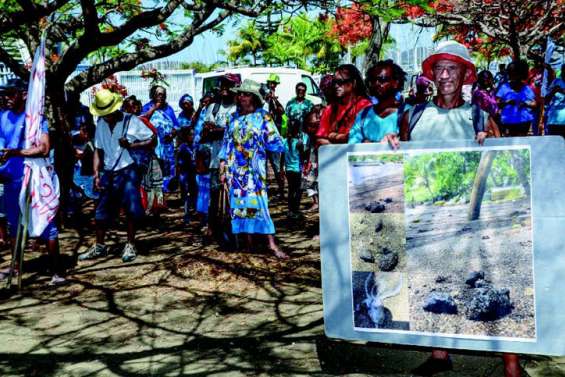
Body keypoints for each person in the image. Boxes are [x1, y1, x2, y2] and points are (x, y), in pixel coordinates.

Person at [389, 41, 518, 377]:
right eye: (439, 69)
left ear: (465, 75)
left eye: (452, 69)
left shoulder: (480, 116)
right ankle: (440, 353)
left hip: (474, 215)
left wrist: (490, 145)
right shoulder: (413, 116)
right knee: (436, 278)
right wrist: (391, 147)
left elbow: (506, 160)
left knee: (491, 279)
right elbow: (401, 160)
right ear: (431, 75)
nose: (445, 76)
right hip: (430, 215)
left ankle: (512, 361)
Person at [0, 78, 65, 285]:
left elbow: (44, 148)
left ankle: (56, 271)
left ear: (24, 94)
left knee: (46, 225)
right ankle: (15, 267)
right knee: (13, 226)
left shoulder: (37, 120)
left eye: (11, 93)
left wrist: (16, 152)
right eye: (5, 94)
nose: (7, 97)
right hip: (10, 180)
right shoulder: (2, 117)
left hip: (33, 180)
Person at [78, 89, 154, 263]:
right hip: (109, 171)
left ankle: (130, 244)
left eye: (108, 112)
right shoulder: (102, 124)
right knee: (101, 210)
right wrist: (96, 173)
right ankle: (100, 245)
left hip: (128, 169)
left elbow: (152, 140)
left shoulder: (131, 121)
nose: (106, 116)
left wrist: (132, 145)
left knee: (130, 209)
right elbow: (98, 149)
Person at [219, 79, 288, 259]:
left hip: (255, 173)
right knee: (240, 206)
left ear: (254, 98)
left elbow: (275, 142)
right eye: (240, 93)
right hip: (235, 172)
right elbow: (226, 145)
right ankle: (248, 243)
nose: (241, 96)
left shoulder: (263, 116)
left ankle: (271, 244)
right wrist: (222, 169)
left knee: (260, 204)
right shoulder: (232, 118)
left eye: (246, 94)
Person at [200, 74, 238, 237]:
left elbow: (235, 131)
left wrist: (218, 130)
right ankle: (212, 227)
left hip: (235, 160)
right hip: (216, 158)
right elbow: (206, 131)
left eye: (228, 85)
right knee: (215, 193)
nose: (224, 88)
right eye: (222, 84)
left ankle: (234, 229)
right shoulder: (213, 107)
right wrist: (218, 130)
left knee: (234, 194)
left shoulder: (238, 108)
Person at [348, 60, 407, 144]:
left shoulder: (408, 113)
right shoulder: (363, 115)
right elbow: (352, 145)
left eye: (382, 79)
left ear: (396, 83)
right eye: (372, 80)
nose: (376, 83)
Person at [316, 64, 372, 146]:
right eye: (334, 82)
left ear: (353, 83)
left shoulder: (365, 106)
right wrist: (340, 147)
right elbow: (320, 139)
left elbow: (367, 139)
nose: (336, 85)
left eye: (340, 82)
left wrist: (333, 136)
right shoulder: (329, 109)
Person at [141, 85, 179, 191]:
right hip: (152, 146)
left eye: (163, 94)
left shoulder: (169, 109)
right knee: (154, 170)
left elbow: (176, 126)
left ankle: (165, 194)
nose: (161, 96)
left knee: (167, 170)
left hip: (167, 146)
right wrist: (154, 108)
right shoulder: (146, 107)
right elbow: (142, 122)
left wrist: (172, 135)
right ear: (153, 95)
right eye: (158, 94)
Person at [496, 60, 537, 137]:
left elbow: (534, 104)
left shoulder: (526, 88)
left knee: (521, 142)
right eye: (513, 75)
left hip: (524, 121)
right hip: (508, 121)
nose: (516, 78)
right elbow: (497, 103)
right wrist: (507, 102)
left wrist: (525, 103)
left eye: (518, 75)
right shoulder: (504, 87)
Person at [263, 73, 286, 199]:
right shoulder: (262, 100)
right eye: (270, 83)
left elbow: (281, 112)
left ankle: (281, 191)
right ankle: (264, 191)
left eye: (274, 84)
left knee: (277, 166)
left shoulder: (275, 101)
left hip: (273, 138)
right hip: (262, 137)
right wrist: (266, 99)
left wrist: (274, 99)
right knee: (263, 166)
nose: (272, 86)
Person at [283, 120, 308, 218]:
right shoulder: (299, 143)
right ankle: (296, 211)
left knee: (290, 190)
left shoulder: (284, 141)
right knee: (298, 190)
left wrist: (282, 169)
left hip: (288, 170)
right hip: (297, 169)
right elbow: (303, 157)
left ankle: (290, 211)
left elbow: (282, 157)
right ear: (297, 130)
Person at [302, 105, 324, 212]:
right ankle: (316, 202)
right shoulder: (310, 137)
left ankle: (321, 202)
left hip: (321, 162)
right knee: (309, 182)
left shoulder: (323, 134)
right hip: (312, 161)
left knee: (320, 183)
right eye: (310, 125)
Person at [177, 127, 197, 223]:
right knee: (186, 195)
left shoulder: (195, 146)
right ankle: (186, 214)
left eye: (193, 134)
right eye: (190, 134)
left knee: (194, 193)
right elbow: (179, 163)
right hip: (185, 174)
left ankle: (194, 212)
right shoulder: (183, 147)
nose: (192, 136)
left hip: (194, 173)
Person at [545, 64, 565, 138]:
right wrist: (553, 91)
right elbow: (546, 100)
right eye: (563, 71)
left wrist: (561, 91)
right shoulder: (556, 82)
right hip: (554, 121)